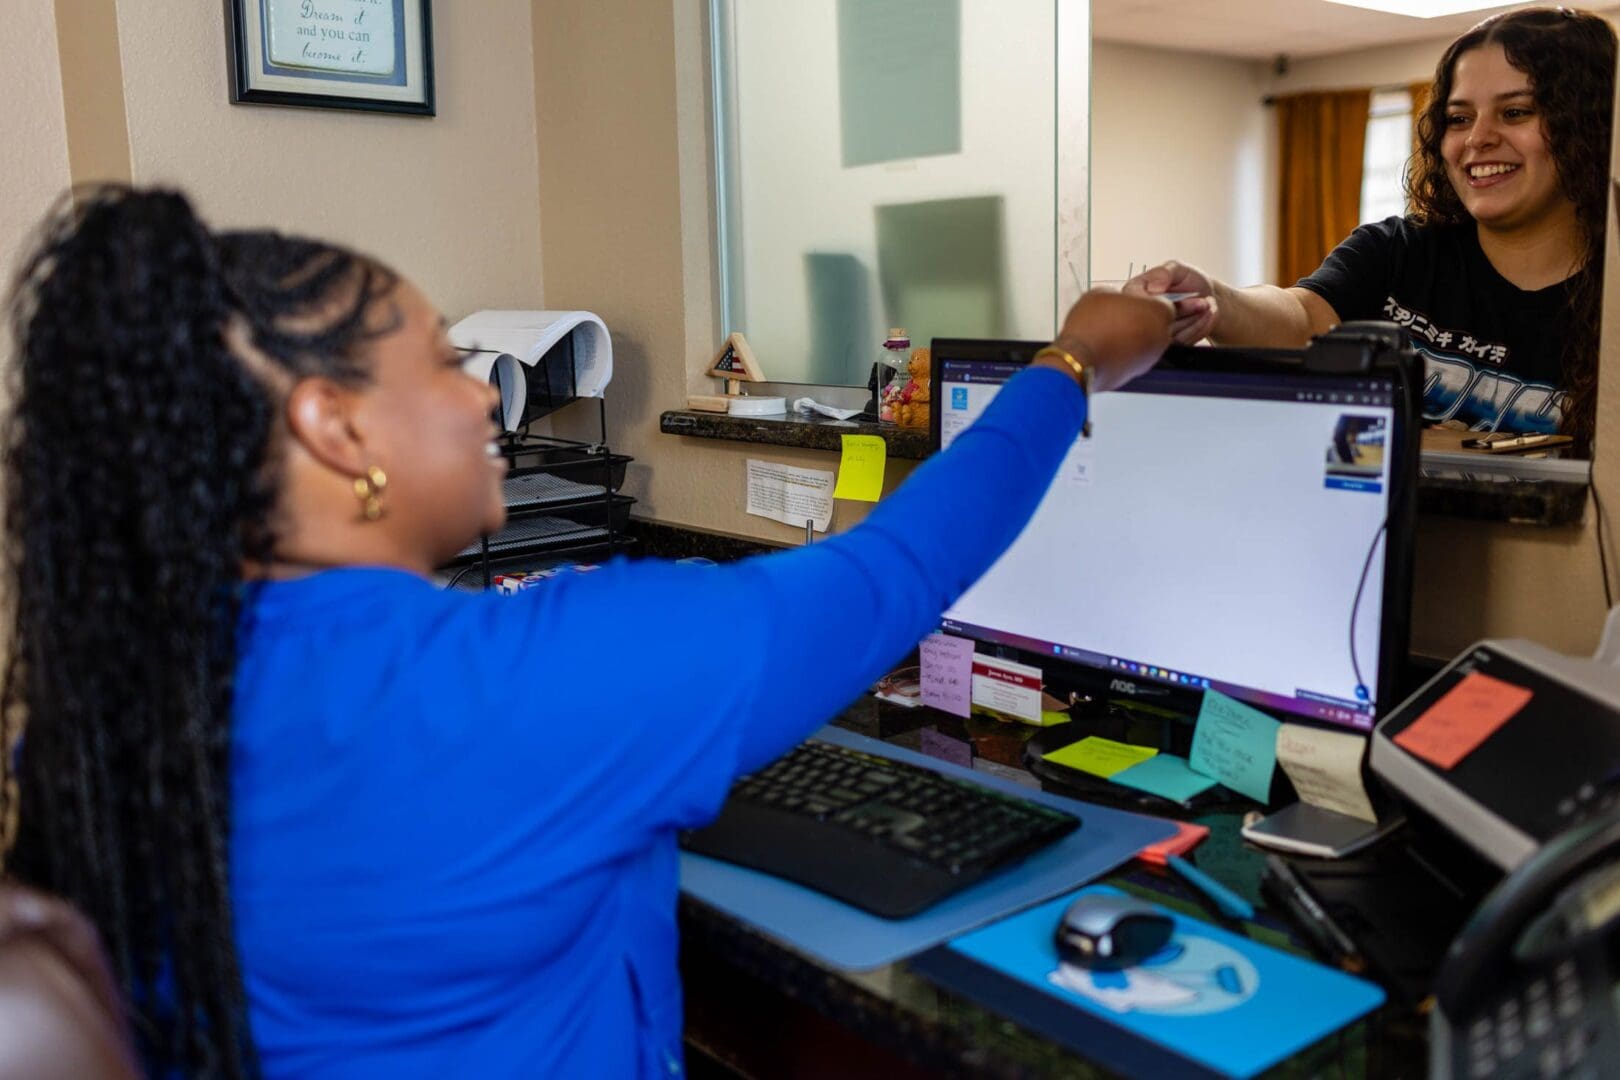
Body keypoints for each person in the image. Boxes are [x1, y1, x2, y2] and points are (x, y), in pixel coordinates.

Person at [0, 186, 1173, 1078]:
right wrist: (1075, 362)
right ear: (335, 428)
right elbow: (896, 572)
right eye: (446, 361)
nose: (482, 396)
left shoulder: (109, 704)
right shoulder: (528, 678)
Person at [1125, 6, 1615, 452]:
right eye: (1458, 118)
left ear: (1588, 127)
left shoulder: (1608, 296)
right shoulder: (1396, 253)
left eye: (1515, 112)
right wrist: (1213, 299)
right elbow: (1300, 320)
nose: (1478, 139)